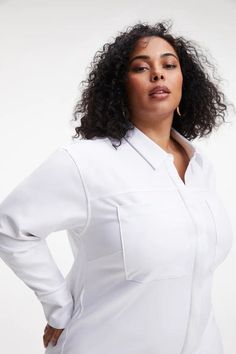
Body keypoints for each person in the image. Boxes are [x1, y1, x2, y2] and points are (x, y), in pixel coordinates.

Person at [0, 21, 234, 354]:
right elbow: (11, 226)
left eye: (169, 65)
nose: (158, 74)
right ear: (119, 86)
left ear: (186, 82)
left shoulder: (200, 166)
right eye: (141, 68)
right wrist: (59, 307)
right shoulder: (86, 162)